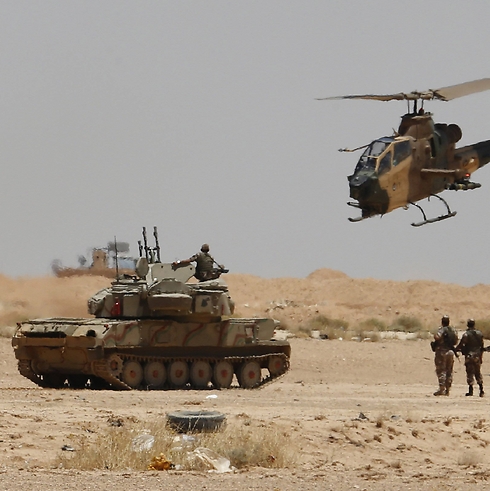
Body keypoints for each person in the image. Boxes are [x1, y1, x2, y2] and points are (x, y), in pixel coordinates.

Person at [455, 319, 485, 397]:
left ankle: (470, 390)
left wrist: (456, 349)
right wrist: (481, 356)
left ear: (468, 325)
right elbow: (482, 346)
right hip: (477, 355)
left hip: (469, 355)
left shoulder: (466, 334)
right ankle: (481, 390)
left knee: (470, 372)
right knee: (478, 372)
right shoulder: (479, 334)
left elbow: (461, 344)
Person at [431, 315, 458, 396]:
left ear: (442, 322)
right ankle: (448, 389)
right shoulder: (453, 330)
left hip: (442, 352)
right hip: (451, 352)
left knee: (441, 370)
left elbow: (437, 337)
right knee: (449, 370)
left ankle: (442, 389)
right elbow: (456, 341)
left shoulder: (442, 330)